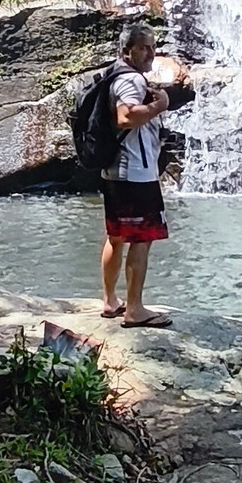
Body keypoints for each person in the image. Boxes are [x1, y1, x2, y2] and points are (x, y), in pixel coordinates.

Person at [99, 23, 172, 329]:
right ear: (127, 51)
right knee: (141, 239)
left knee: (116, 237)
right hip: (135, 174)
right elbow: (126, 117)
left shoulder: (113, 75)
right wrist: (161, 104)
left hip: (116, 170)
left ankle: (110, 301)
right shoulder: (129, 79)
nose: (150, 53)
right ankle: (135, 309)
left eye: (153, 48)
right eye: (143, 47)